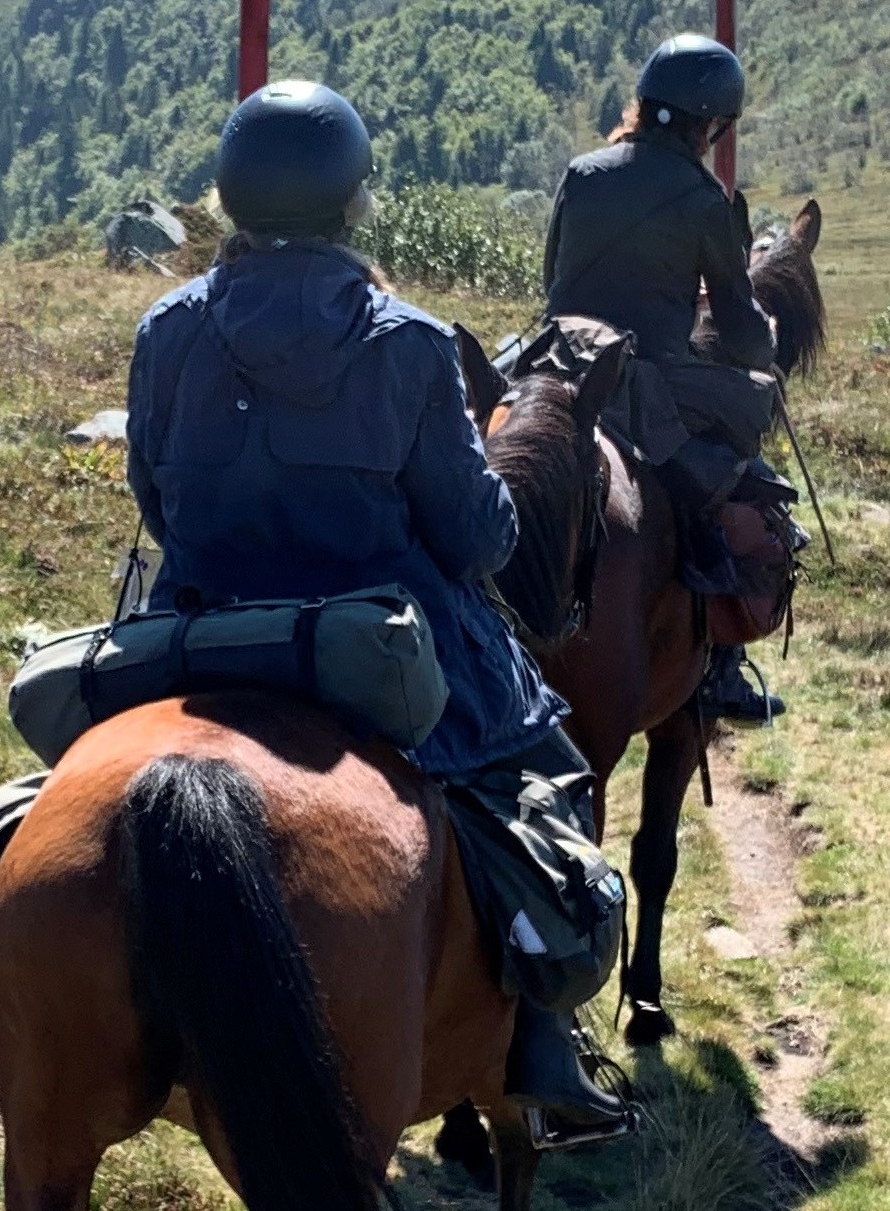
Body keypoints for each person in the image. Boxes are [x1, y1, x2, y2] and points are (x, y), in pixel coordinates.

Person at [123, 79, 629, 1142]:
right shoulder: (407, 345)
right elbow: (477, 538)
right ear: (356, 203)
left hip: (197, 630)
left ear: (227, 197)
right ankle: (541, 1036)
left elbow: (156, 500)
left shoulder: (168, 327)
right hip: (383, 648)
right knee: (544, 779)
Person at [542, 32, 788, 723]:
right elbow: (740, 331)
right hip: (646, 381)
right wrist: (760, 340)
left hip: (557, 358)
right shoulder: (704, 198)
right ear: (711, 123)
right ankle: (723, 667)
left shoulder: (581, 173)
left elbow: (553, 281)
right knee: (735, 473)